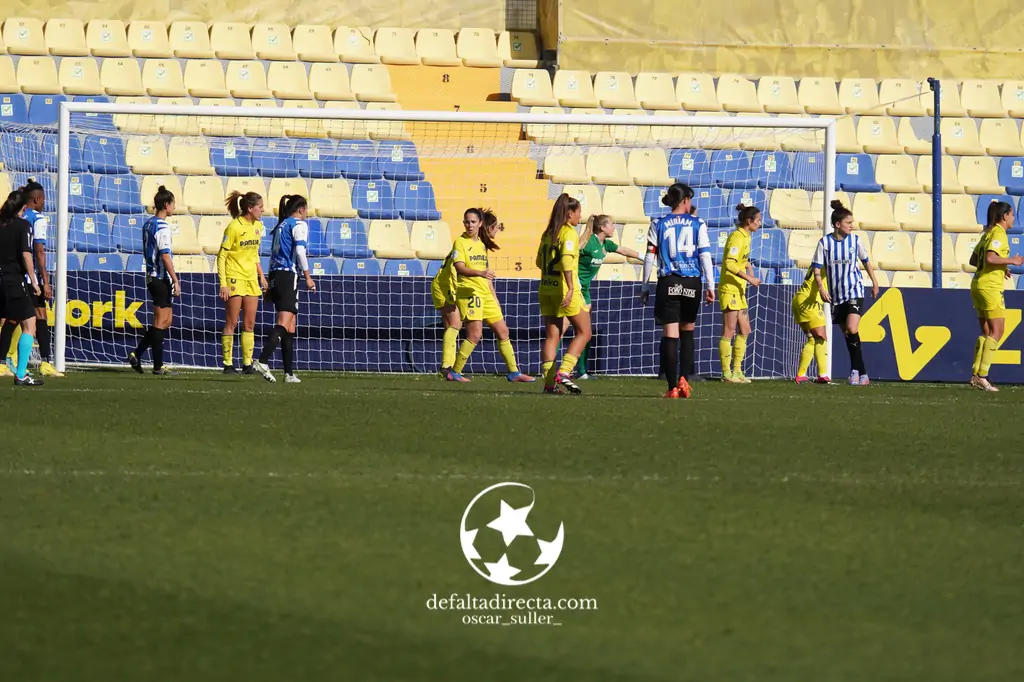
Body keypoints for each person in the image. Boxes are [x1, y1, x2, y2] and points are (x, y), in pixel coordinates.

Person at [640, 183, 715, 398]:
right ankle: (684, 379)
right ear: (684, 201)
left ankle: (672, 387)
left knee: (670, 334)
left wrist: (645, 286)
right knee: (688, 330)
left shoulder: (658, 223)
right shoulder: (697, 223)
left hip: (668, 281)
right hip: (692, 281)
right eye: (689, 199)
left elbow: (649, 257)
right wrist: (711, 285)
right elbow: (704, 255)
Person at [450, 208, 534, 383]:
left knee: (503, 330)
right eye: (466, 221)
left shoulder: (481, 244)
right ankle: (454, 372)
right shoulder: (460, 242)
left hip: (485, 294)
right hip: (469, 292)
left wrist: (493, 296)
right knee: (475, 335)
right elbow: (459, 267)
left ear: (480, 224)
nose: (469, 225)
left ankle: (514, 372)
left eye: (473, 222)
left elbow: (486, 274)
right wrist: (480, 273)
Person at [812, 200, 880, 386]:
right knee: (849, 336)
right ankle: (862, 373)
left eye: (852, 222)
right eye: (848, 223)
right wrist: (821, 288)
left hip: (854, 290)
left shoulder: (855, 241)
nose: (852, 226)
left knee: (852, 328)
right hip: (836, 295)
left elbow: (866, 261)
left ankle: (855, 371)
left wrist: (874, 282)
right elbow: (817, 268)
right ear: (837, 224)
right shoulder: (825, 243)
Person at [253, 195, 316, 384]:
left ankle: (288, 373)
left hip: (276, 275)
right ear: (302, 209)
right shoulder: (299, 225)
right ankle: (263, 360)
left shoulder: (280, 226)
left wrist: (270, 282)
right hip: (288, 275)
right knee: (284, 321)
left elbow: (273, 254)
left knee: (290, 325)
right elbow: (299, 251)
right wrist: (308, 276)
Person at [537, 194, 591, 394]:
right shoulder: (568, 234)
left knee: (553, 335)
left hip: (546, 288)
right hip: (564, 289)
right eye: (578, 213)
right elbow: (567, 262)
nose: (580, 217)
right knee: (585, 332)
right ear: (570, 213)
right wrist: (569, 288)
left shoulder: (548, 233)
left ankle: (549, 384)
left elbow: (538, 262)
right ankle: (565, 371)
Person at [575, 213, 640, 379]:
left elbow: (623, 250)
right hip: (575, 288)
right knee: (566, 329)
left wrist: (645, 257)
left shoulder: (605, 244)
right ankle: (554, 370)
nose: (614, 227)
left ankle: (581, 371)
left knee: (585, 331)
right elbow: (572, 258)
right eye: (611, 224)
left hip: (585, 290)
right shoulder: (588, 242)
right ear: (602, 227)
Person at [968, 200, 1023, 391]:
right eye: (1012, 214)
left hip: (978, 284)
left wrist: (1002, 266)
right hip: (990, 287)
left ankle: (976, 374)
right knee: (997, 331)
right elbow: (991, 257)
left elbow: (974, 259)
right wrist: (1012, 261)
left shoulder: (988, 234)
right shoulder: (999, 233)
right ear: (1004, 216)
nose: (1013, 218)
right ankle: (983, 375)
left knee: (986, 332)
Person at [128, 185, 181, 375]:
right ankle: (158, 366)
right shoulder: (162, 226)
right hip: (159, 277)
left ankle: (137, 353)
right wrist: (175, 279)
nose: (175, 207)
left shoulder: (148, 223)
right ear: (166, 205)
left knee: (166, 321)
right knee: (160, 322)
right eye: (173, 203)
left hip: (153, 277)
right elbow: (165, 255)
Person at [217, 190, 267, 374]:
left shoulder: (257, 226)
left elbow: (253, 254)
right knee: (232, 321)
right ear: (249, 208)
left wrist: (261, 275)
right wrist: (223, 283)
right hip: (234, 277)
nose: (263, 210)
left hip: (250, 278)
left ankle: (247, 363)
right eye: (260, 207)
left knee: (250, 323)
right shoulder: (233, 227)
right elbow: (222, 255)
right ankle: (228, 364)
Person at [0, 190, 43, 386]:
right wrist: (34, 281)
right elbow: (26, 255)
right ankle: (21, 374)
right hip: (13, 279)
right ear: (24, 207)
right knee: (29, 324)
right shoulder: (23, 225)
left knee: (8, 320)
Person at [717, 204, 762, 383]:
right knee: (729, 330)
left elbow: (741, 260)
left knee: (745, 329)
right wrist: (749, 278)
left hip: (739, 289)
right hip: (730, 289)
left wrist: (749, 267)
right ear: (748, 221)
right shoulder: (737, 237)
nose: (760, 223)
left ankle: (737, 371)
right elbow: (729, 264)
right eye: (757, 220)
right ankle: (726, 373)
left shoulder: (746, 236)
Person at [22, 180, 60, 377]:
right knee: (40, 316)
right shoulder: (38, 218)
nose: (44, 203)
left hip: (12, 274)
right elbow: (39, 251)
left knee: (10, 319)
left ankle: (7, 360)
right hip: (30, 278)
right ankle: (45, 362)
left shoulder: (15, 216)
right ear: (36, 199)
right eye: (43, 199)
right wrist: (45, 281)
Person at [430, 213, 467, 381]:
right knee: (456, 324)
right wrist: (454, 291)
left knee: (450, 327)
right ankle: (446, 366)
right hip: (444, 286)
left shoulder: (474, 244)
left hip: (442, 284)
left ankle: (449, 367)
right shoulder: (464, 244)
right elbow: (454, 268)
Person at [791, 264, 830, 384]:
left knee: (812, 340)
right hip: (810, 301)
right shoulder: (826, 262)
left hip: (799, 299)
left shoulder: (817, 262)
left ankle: (801, 375)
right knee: (821, 338)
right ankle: (823, 374)